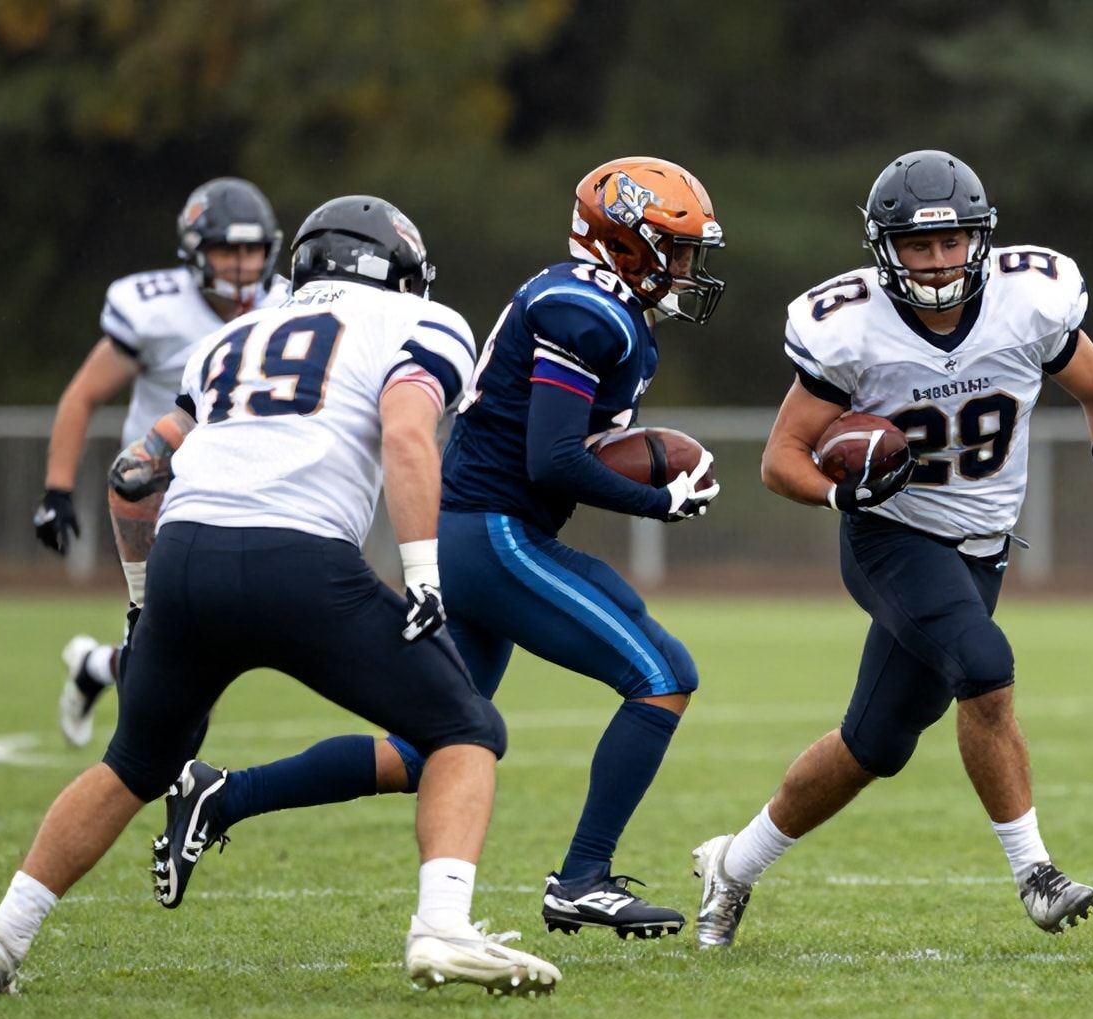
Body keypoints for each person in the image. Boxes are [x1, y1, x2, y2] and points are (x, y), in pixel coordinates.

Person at [0, 195, 560, 997]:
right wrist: (423, 576)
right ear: (397, 270)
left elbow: (133, 475)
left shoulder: (226, 340)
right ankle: (442, 929)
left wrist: (142, 604)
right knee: (464, 730)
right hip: (300, 563)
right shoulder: (420, 323)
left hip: (186, 556)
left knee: (134, 764)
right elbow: (408, 433)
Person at [146, 158, 725, 941]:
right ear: (624, 242)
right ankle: (583, 877)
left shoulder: (599, 304)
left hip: (482, 533)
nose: (686, 268)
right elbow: (551, 459)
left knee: (430, 747)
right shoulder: (583, 309)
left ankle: (226, 794)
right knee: (663, 675)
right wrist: (659, 498)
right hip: (492, 534)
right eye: (675, 248)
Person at [690, 150, 1093, 949]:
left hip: (981, 549)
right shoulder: (850, 328)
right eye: (917, 245)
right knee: (984, 665)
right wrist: (843, 494)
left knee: (873, 746)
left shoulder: (1029, 303)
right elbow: (779, 462)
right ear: (883, 249)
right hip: (891, 535)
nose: (938, 261)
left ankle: (732, 864)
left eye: (952, 242)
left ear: (980, 239)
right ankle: (1036, 874)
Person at [37, 177, 291, 749]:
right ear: (195, 249)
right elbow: (82, 395)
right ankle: (164, 773)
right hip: (158, 490)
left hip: (236, 487)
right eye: (228, 248)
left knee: (198, 644)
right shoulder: (153, 309)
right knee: (188, 653)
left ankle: (98, 668)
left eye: (252, 249)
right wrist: (56, 491)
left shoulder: (287, 306)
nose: (243, 263)